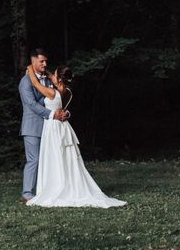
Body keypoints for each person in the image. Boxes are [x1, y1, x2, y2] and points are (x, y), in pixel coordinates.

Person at [25, 64, 127, 208]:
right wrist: (47, 72)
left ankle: (56, 186)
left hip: (53, 127)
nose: (51, 77)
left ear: (59, 79)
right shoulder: (68, 92)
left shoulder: (52, 93)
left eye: (54, 75)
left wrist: (30, 69)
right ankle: (67, 182)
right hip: (64, 126)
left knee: (54, 156)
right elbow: (56, 88)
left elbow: (35, 83)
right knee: (67, 158)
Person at [19, 48, 68, 203]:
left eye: (46, 61)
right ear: (33, 62)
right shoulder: (25, 81)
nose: (45, 64)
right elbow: (32, 104)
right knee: (34, 160)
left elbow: (57, 100)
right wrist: (53, 114)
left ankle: (47, 190)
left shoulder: (49, 80)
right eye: (41, 61)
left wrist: (63, 113)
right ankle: (27, 193)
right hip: (33, 126)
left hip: (50, 128)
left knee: (50, 159)